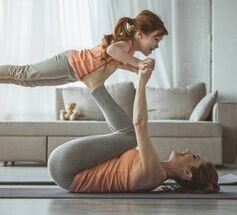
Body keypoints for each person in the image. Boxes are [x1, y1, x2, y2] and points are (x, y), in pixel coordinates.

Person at [48, 62, 220, 193]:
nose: (190, 151)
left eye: (195, 157)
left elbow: (140, 124)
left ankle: (95, 85)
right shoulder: (155, 170)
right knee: (128, 138)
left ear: (187, 173)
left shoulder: (153, 174)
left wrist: (142, 81)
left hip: (66, 168)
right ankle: (95, 85)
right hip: (66, 166)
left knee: (131, 137)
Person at [0, 10, 168, 97]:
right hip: (69, 62)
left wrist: (139, 70)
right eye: (156, 39)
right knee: (23, 73)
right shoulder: (123, 45)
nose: (156, 45)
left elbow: (121, 63)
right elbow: (112, 50)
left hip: (74, 73)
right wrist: (140, 64)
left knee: (25, 82)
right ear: (140, 34)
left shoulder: (126, 51)